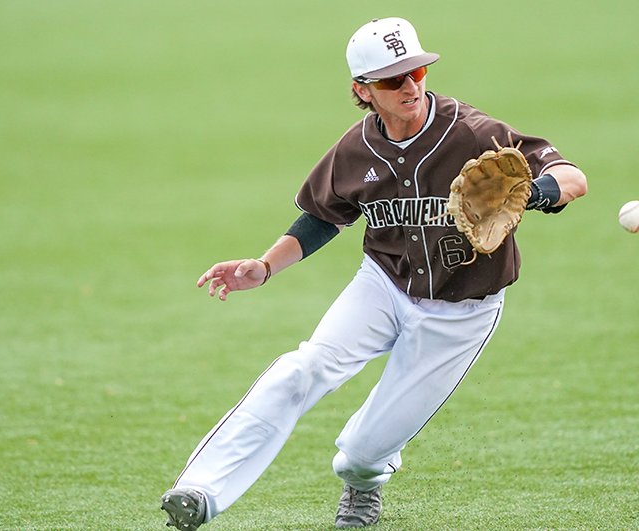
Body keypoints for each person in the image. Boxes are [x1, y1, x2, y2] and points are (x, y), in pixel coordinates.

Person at [160, 16, 587, 529]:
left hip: (461, 314)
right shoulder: (355, 149)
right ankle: (200, 490)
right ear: (363, 90)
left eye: (417, 73)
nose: (409, 86)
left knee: (364, 452)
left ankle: (362, 485)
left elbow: (571, 177)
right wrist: (264, 266)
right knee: (303, 368)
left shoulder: (475, 133)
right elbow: (322, 216)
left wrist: (535, 193)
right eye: (391, 79)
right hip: (382, 286)